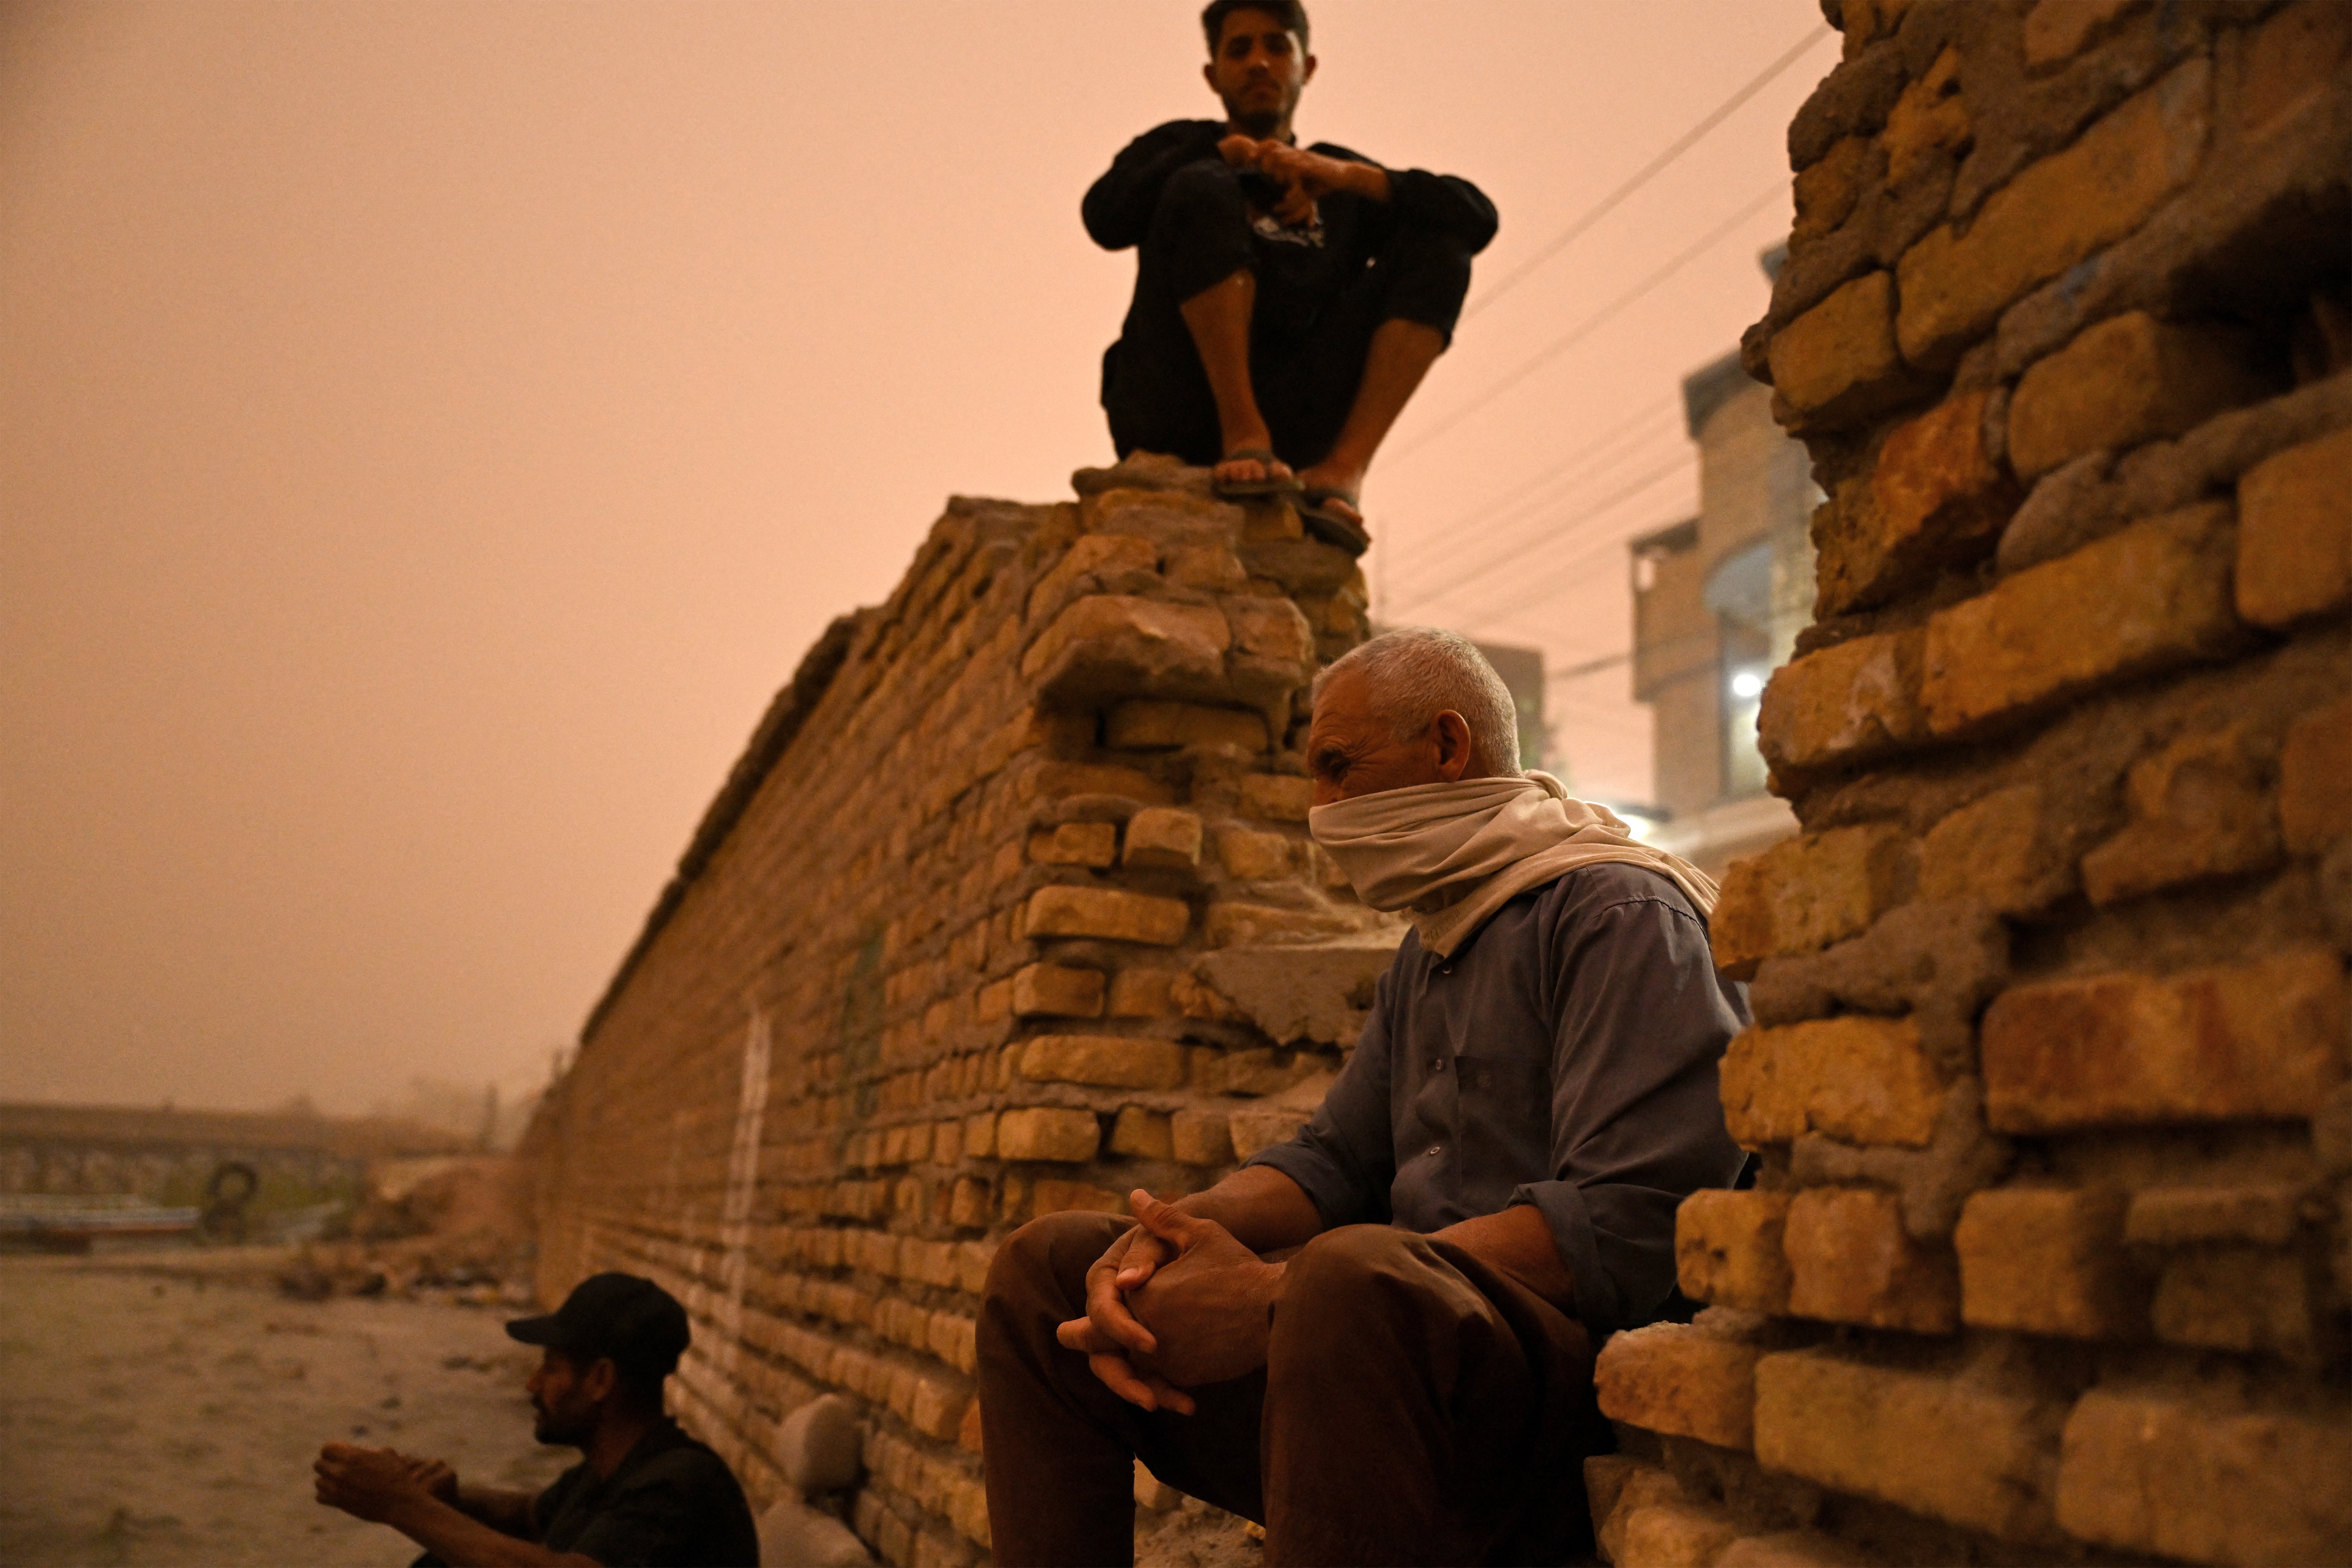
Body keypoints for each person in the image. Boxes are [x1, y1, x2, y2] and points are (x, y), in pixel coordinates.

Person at [978, 628, 1751, 1566]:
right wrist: (1165, 1241)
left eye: (1341, 767)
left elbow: (1625, 1221)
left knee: (1348, 1278)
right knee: (1048, 1270)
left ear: (1447, 746)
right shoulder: (1430, 950)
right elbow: (1335, 1159)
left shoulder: (1617, 915)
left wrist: (1271, 1294)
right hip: (1360, 1370)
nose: (1322, 808)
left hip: (1546, 1406)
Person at [1084, 0, 1497, 552]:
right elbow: (1104, 218)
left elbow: (1477, 218)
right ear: (1213, 75)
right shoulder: (1185, 149)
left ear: (1308, 67)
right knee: (1200, 186)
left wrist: (1348, 177)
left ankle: (1342, 472)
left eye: (1277, 46)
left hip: (1295, 417)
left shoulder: (1332, 179)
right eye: (1240, 49)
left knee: (1442, 246)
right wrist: (1221, 157)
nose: (1260, 63)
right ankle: (1242, 433)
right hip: (1175, 405)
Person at [312, 1272, 760, 1568]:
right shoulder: (613, 1470)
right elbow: (530, 1515)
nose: (531, 1384)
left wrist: (399, 1503)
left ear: (601, 1379)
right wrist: (448, 1496)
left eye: (551, 1366)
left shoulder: (680, 1485)